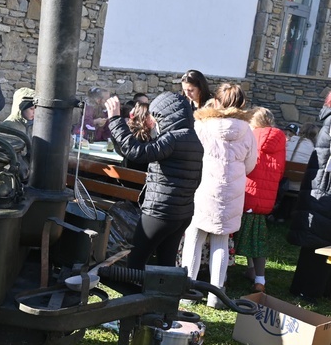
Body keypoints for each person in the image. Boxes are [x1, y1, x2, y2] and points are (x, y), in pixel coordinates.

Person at [105, 91, 203, 271]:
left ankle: (134, 297)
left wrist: (115, 121)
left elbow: (136, 152)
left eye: (156, 117)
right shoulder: (192, 138)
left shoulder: (172, 139)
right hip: (182, 213)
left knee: (135, 264)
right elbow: (197, 179)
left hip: (160, 213)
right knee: (166, 266)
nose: (154, 121)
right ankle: (166, 298)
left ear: (166, 116)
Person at [180, 83, 257, 308]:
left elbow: (191, 154)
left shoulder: (202, 125)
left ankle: (187, 292)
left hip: (203, 185)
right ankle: (216, 295)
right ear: (241, 103)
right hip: (232, 192)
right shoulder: (247, 130)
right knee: (221, 240)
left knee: (194, 237)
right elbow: (250, 164)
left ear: (217, 100)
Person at [233, 107, 286, 293]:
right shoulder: (280, 140)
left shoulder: (251, 136)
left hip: (247, 195)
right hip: (265, 199)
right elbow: (279, 172)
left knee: (243, 238)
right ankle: (255, 275)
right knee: (257, 240)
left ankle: (254, 278)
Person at [287, 91, 331, 301]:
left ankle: (304, 288)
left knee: (315, 242)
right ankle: (311, 290)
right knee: (320, 245)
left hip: (321, 185)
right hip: (326, 188)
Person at [122, 102, 154, 172]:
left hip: (127, 177)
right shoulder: (147, 138)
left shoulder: (129, 134)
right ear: (145, 117)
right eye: (151, 116)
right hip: (142, 179)